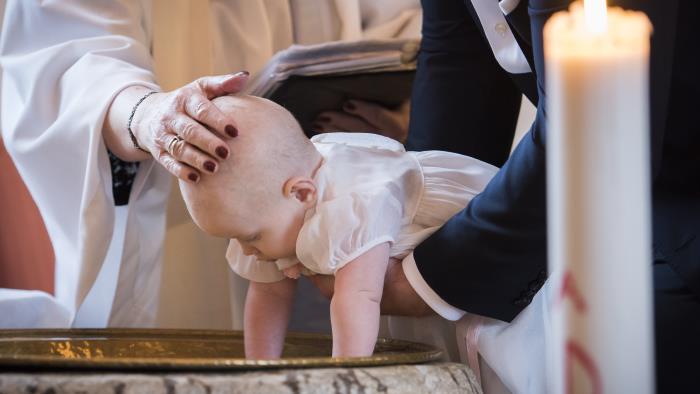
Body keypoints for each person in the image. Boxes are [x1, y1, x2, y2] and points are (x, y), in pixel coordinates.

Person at [0, 0, 421, 329]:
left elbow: (414, 26)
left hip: (354, 210)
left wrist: (405, 111)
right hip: (178, 229)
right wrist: (149, 116)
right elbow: (66, 53)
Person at [360, 0, 697, 392]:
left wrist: (427, 280)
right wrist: (402, 230)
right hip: (618, 197)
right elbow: (457, 75)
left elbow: (584, 123)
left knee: (624, 337)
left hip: (682, 210)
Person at [178, 94, 497, 358]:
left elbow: (358, 298)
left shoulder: (356, 199)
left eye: (250, 237)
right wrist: (260, 375)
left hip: (492, 246)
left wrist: (345, 378)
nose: (246, 249)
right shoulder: (267, 207)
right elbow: (268, 295)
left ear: (302, 193)